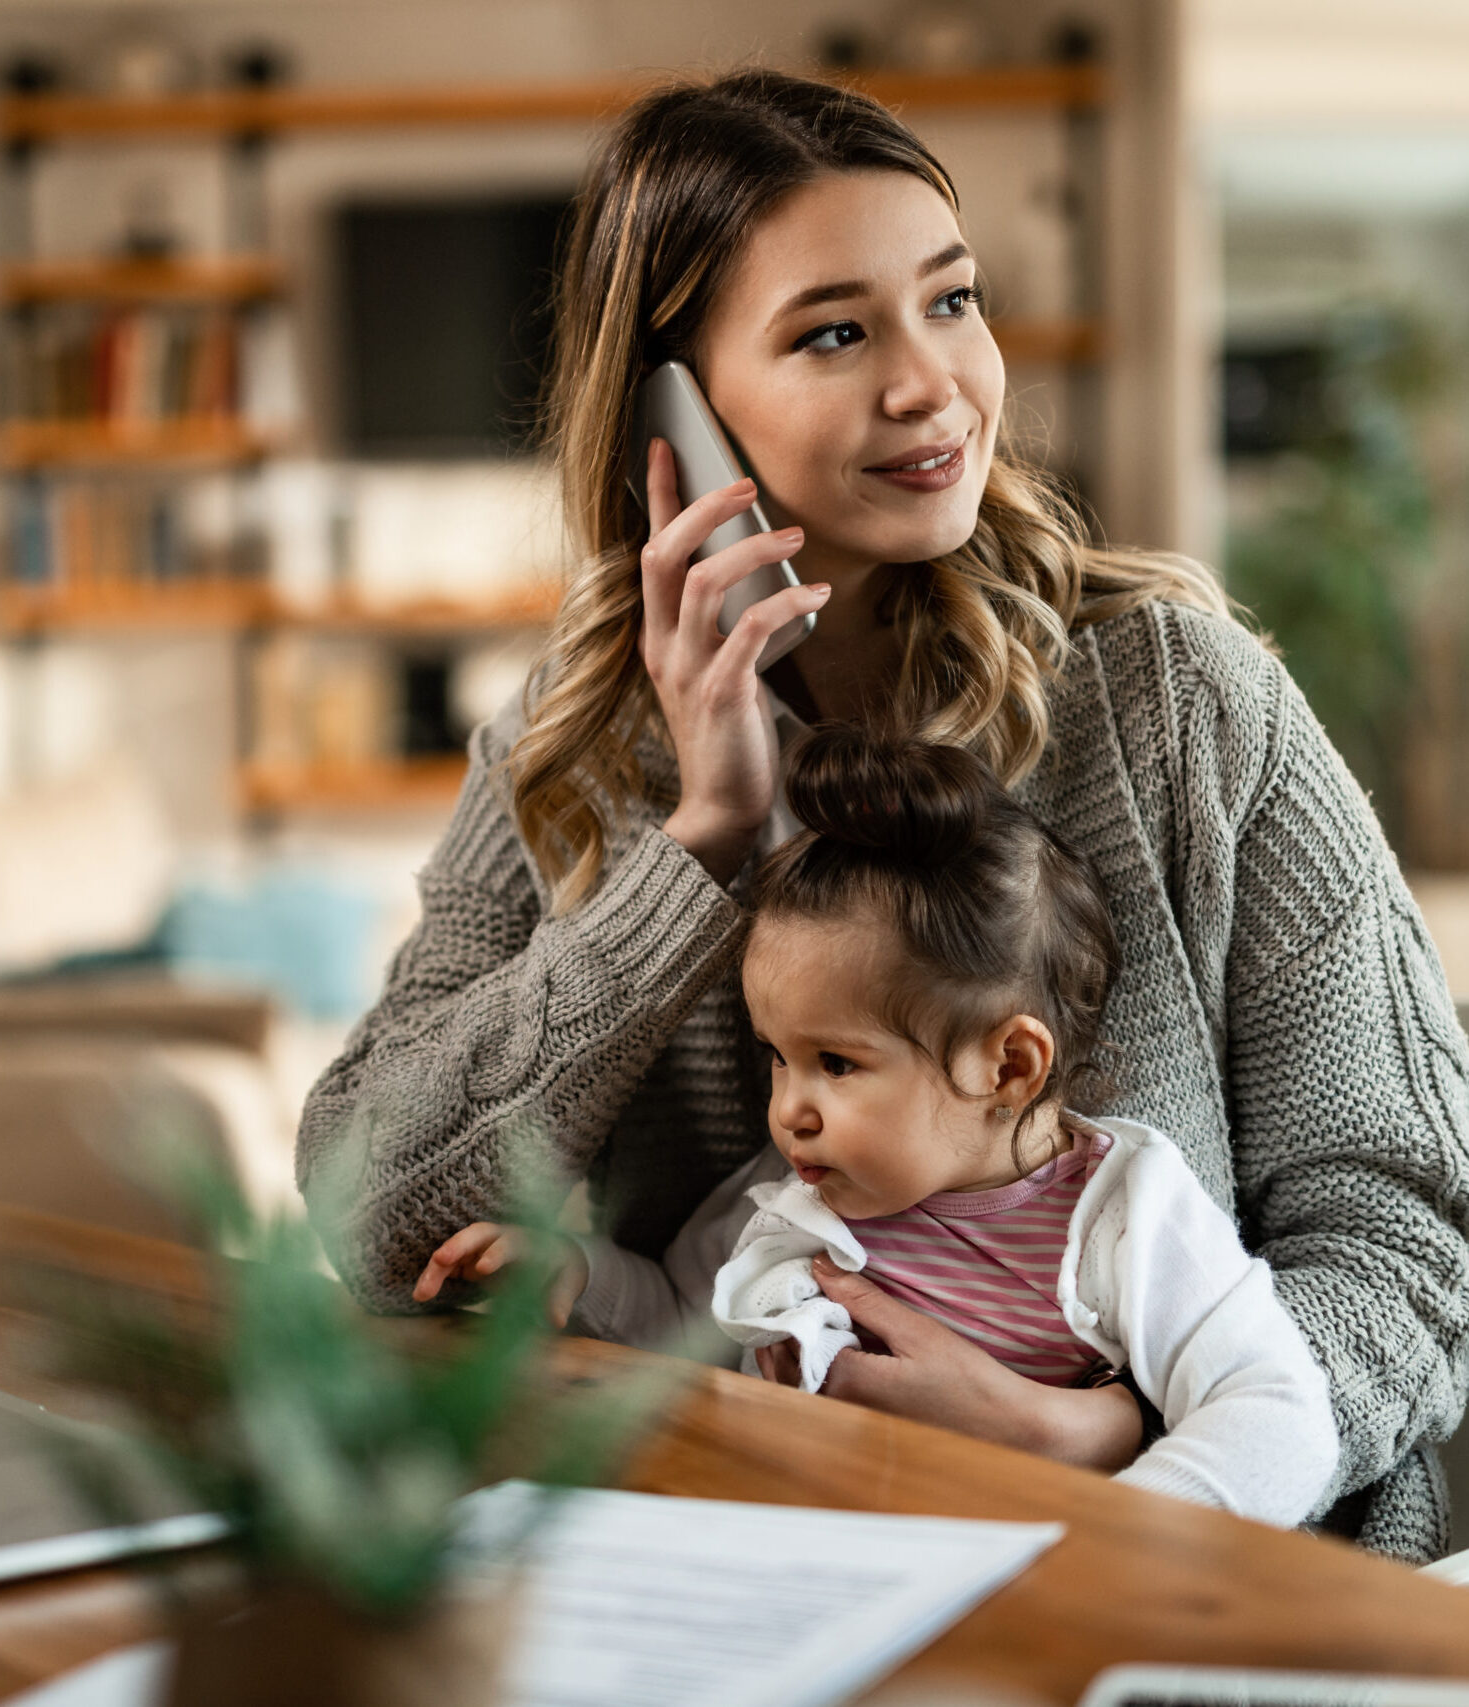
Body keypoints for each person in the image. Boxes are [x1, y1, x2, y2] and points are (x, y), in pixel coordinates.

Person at [298, 68, 1469, 1559]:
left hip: (1213, 1571)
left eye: (951, 300)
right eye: (833, 331)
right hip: (773, 1557)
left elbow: (1408, 1231)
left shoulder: (1176, 695)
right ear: (679, 413)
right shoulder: (566, 755)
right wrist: (699, 845)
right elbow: (369, 1217)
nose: (932, 384)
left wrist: (1113, 1433)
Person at [414, 729, 1342, 1528]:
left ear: (1008, 1066)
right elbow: (679, 1325)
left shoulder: (1125, 1215)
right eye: (778, 1055)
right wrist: (576, 1276)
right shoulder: (797, 1198)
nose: (789, 1108)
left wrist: (1125, 1533)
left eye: (838, 1064)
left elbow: (1276, 1410)